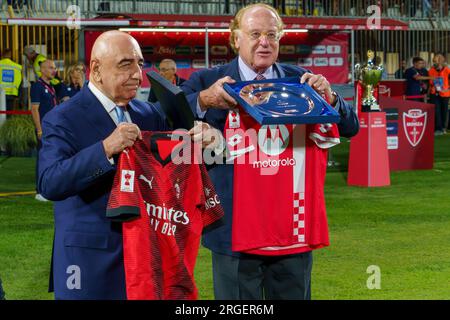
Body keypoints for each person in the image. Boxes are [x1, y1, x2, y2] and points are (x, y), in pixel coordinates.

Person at [181, 3, 359, 300]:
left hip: (292, 228)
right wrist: (204, 100)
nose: (264, 42)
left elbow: (351, 126)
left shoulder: (300, 81)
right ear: (235, 38)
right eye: (255, 34)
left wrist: (331, 98)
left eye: (271, 35)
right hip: (232, 231)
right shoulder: (207, 81)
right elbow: (163, 116)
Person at [37, 30, 215, 300]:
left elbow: (176, 170)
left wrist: (207, 143)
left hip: (147, 257)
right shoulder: (62, 117)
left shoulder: (149, 113)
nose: (137, 74)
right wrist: (105, 149)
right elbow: (49, 182)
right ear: (96, 70)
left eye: (140, 64)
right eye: (125, 64)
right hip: (89, 261)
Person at [30, 59, 60, 202]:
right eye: (50, 68)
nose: (54, 70)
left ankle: (49, 188)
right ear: (42, 70)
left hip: (53, 129)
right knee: (43, 160)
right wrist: (39, 130)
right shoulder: (37, 86)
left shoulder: (51, 87)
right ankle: (39, 191)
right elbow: (34, 109)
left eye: (54, 68)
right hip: (45, 129)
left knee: (52, 159)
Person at [428, 53, 450, 135]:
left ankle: (443, 128)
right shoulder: (431, 70)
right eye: (434, 61)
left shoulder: (447, 70)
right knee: (436, 111)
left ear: (441, 61)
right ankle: (438, 129)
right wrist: (428, 92)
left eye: (436, 61)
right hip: (434, 93)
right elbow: (430, 83)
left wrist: (447, 89)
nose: (435, 63)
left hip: (445, 94)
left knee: (444, 111)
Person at [0, 48, 22, 113]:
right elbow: (19, 81)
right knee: (9, 113)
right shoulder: (17, 67)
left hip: (1, 92)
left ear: (2, 55)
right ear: (11, 56)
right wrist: (18, 94)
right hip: (11, 93)